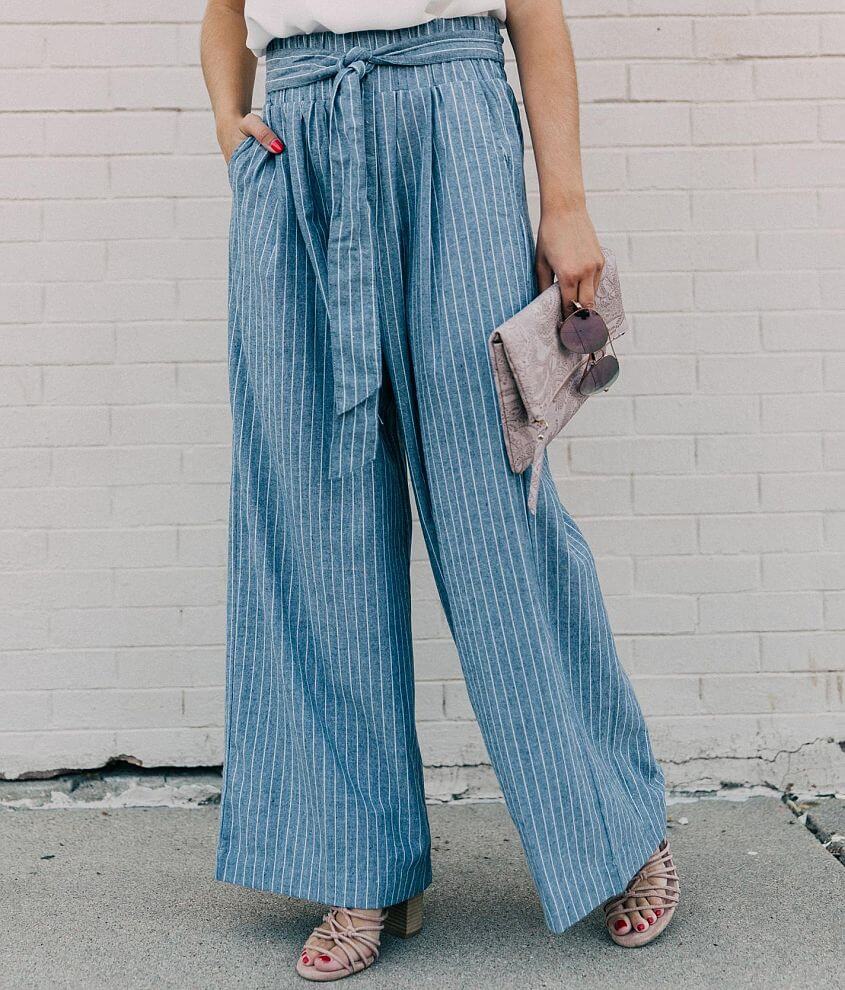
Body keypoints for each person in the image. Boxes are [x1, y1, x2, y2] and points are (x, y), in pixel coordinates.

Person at [200, 0, 680, 980]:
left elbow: (531, 15)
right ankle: (360, 864)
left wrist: (565, 200)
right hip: (297, 136)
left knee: (496, 507)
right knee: (310, 520)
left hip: (449, 115)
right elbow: (223, 13)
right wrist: (228, 121)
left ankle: (615, 828)